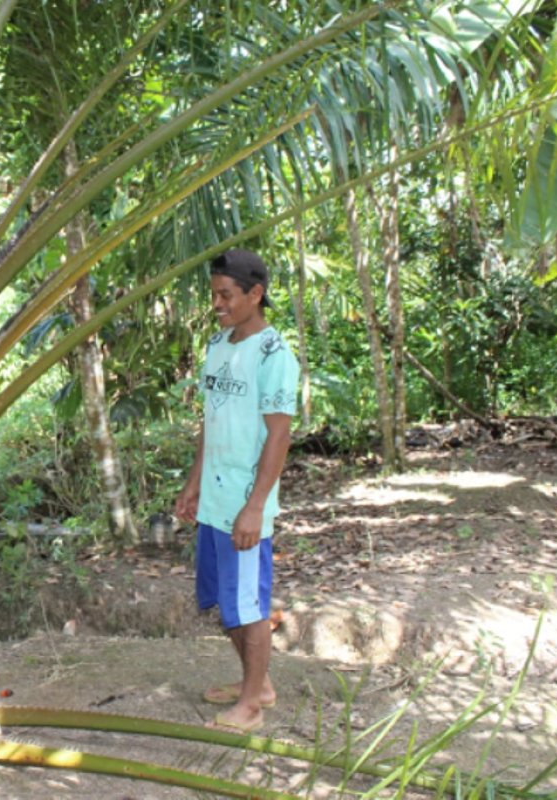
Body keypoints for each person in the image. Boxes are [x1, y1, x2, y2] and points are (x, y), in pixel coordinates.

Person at [174, 248, 299, 735]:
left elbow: (279, 436)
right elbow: (213, 419)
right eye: (214, 295)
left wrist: (255, 507)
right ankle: (258, 684)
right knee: (226, 601)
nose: (218, 304)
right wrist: (194, 483)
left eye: (226, 295)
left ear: (255, 294)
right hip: (215, 501)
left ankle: (251, 705)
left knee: (248, 605)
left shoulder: (275, 355)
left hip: (247, 506)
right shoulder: (218, 345)